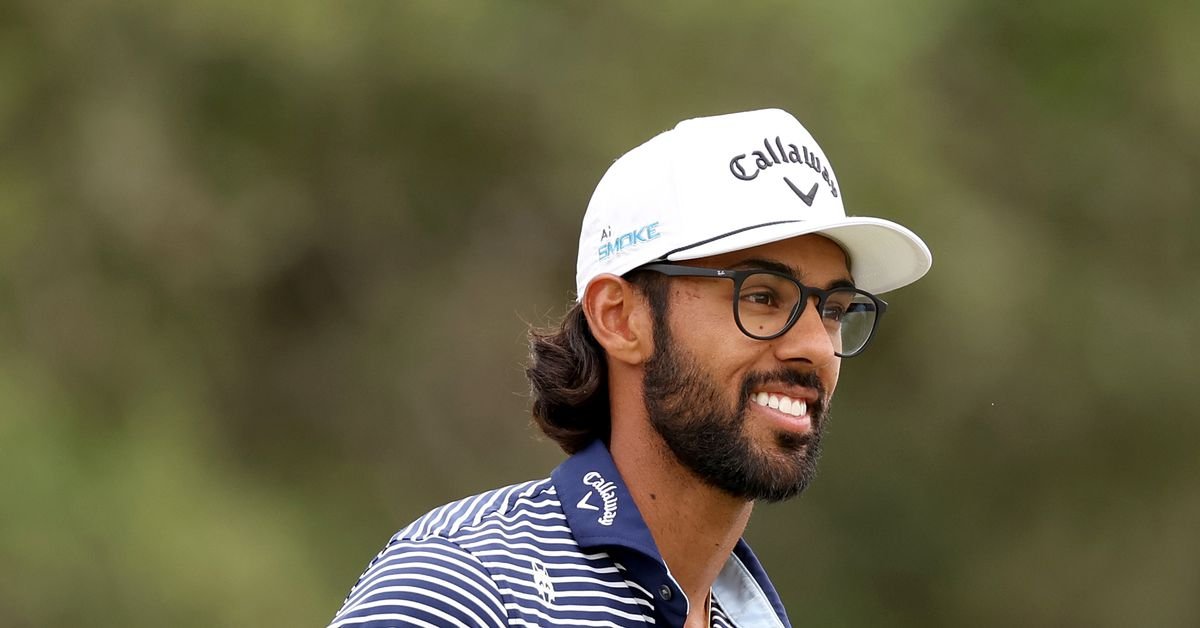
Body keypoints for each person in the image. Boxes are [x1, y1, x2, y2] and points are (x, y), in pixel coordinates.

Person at [327, 108, 932, 627]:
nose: (818, 348)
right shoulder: (464, 588)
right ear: (619, 318)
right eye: (762, 296)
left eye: (833, 309)